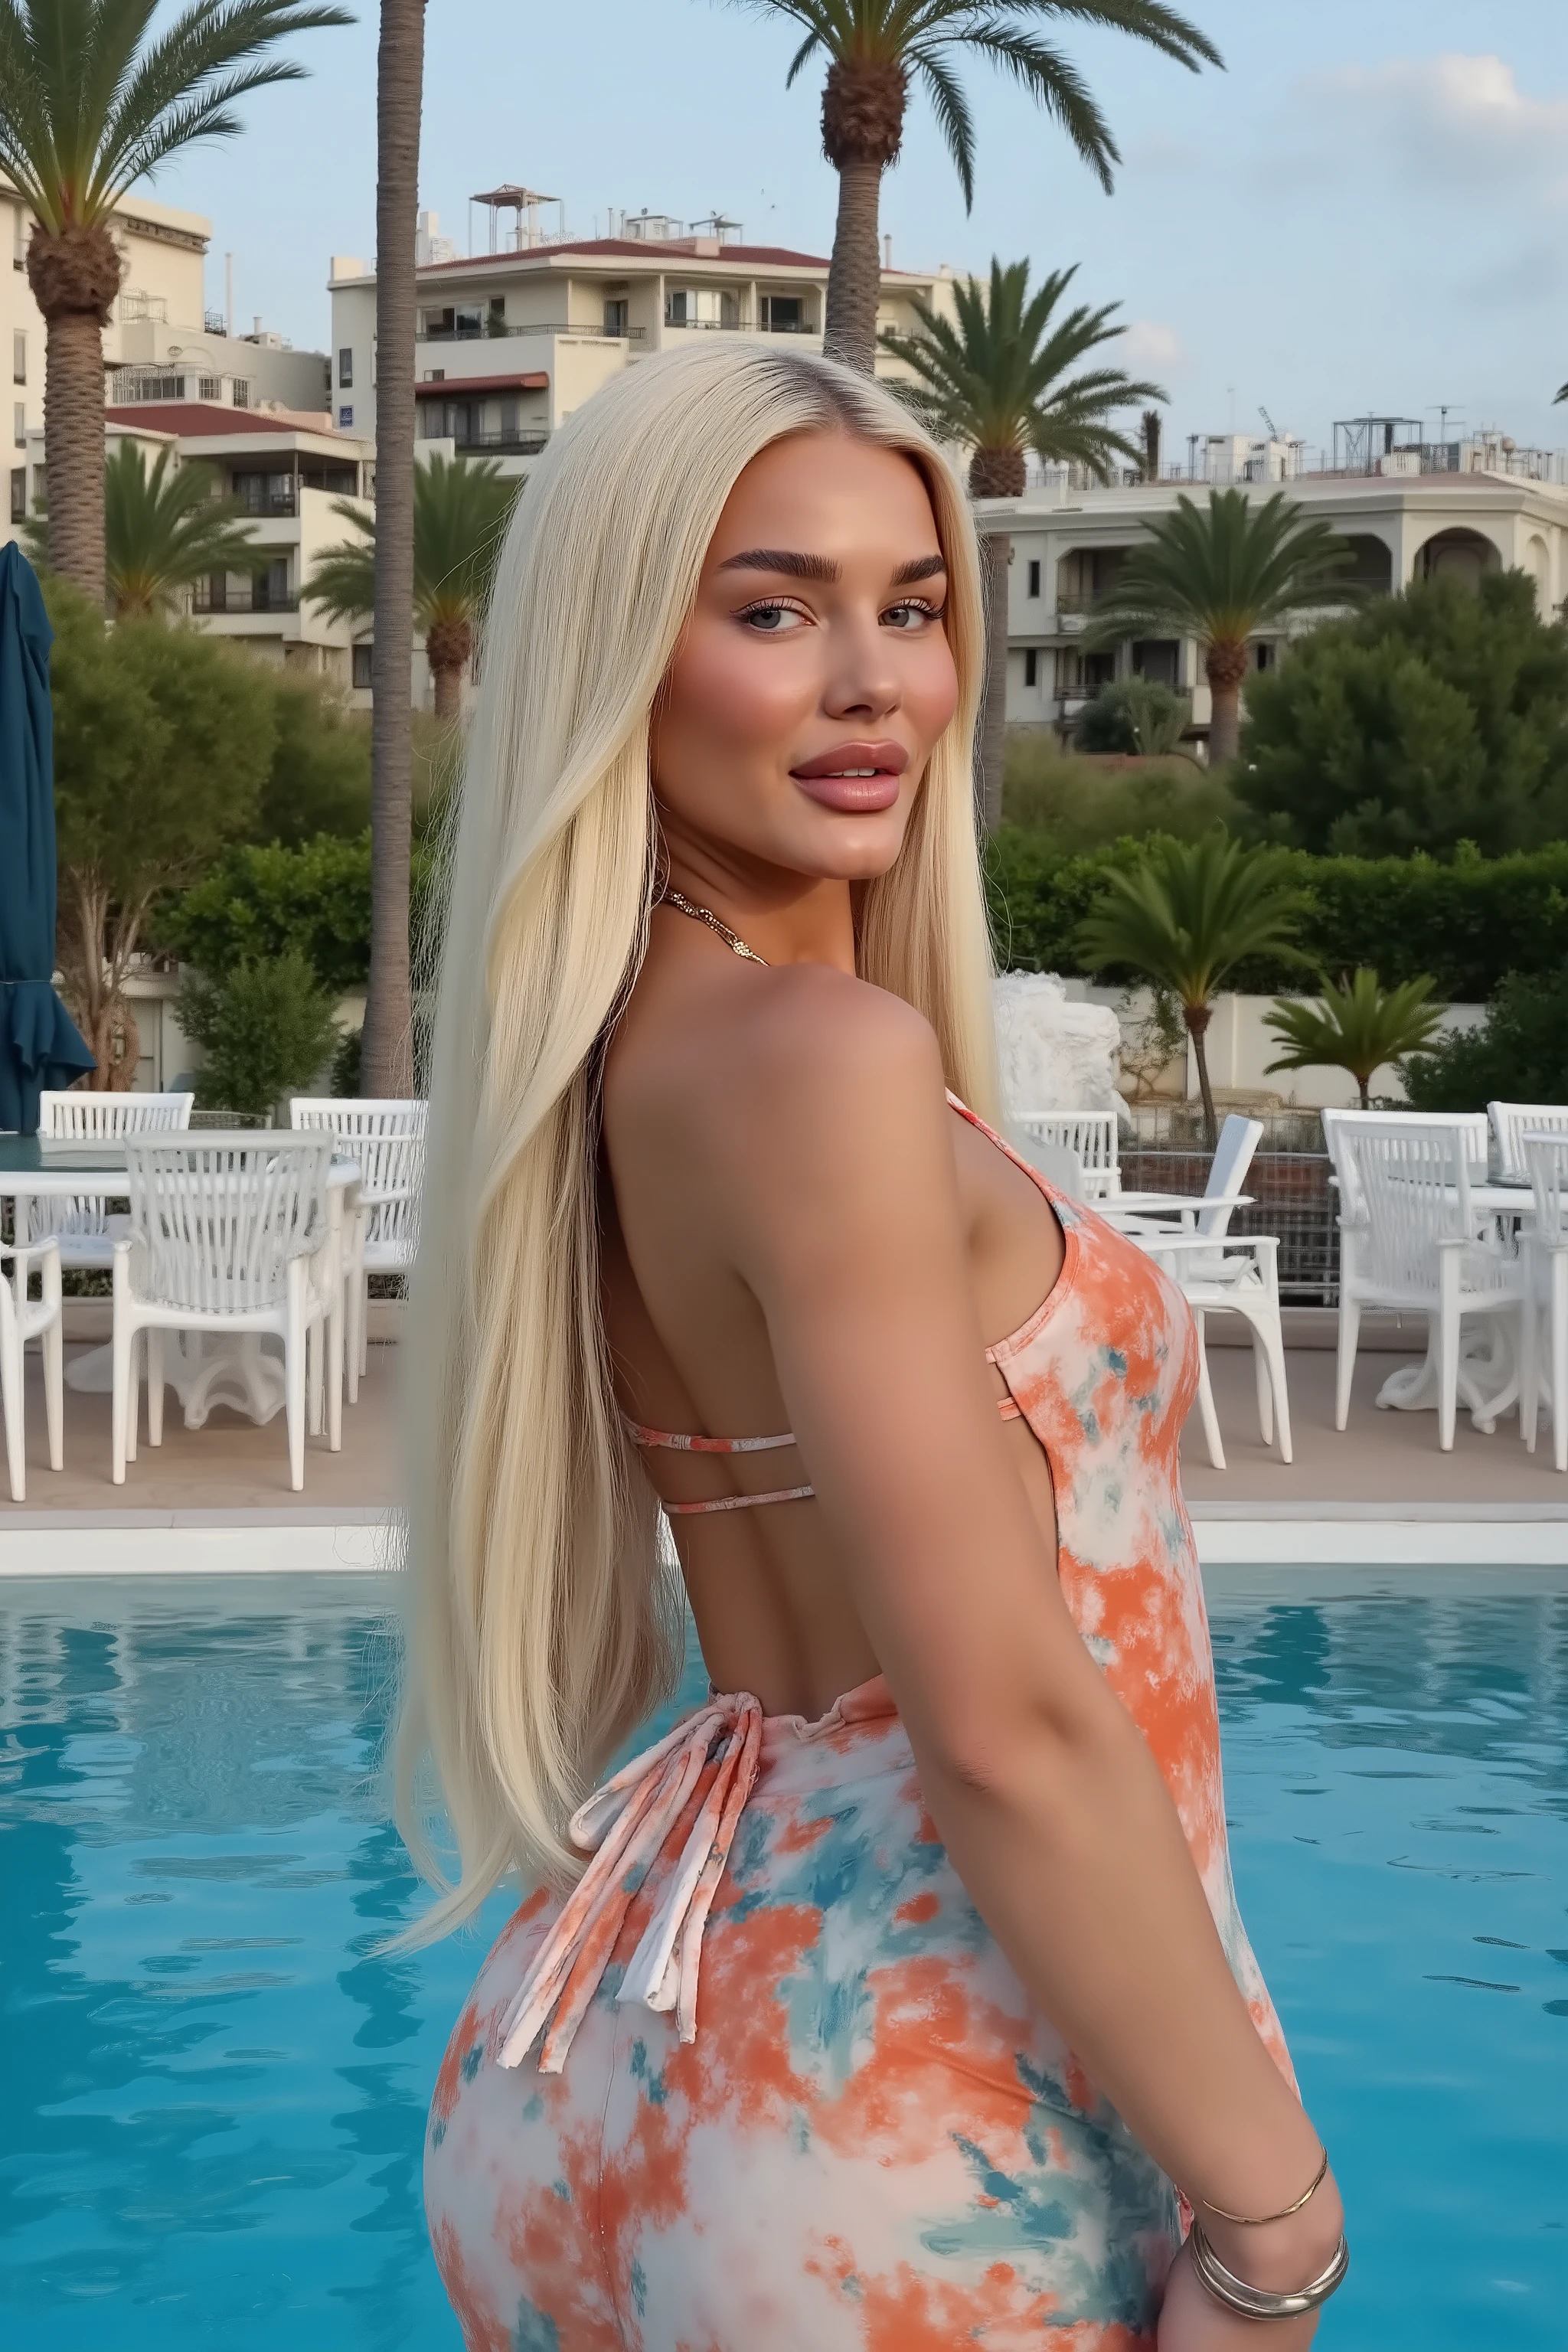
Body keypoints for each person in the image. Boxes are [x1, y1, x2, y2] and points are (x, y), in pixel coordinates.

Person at [403, 342, 1347, 2351]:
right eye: (773, 611)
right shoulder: (827, 1061)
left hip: (611, 2025)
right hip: (916, 2099)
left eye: (912, 611)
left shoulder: (602, 1071)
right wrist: (1276, 2227)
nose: (874, 683)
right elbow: (1001, 1721)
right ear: (622, 660)